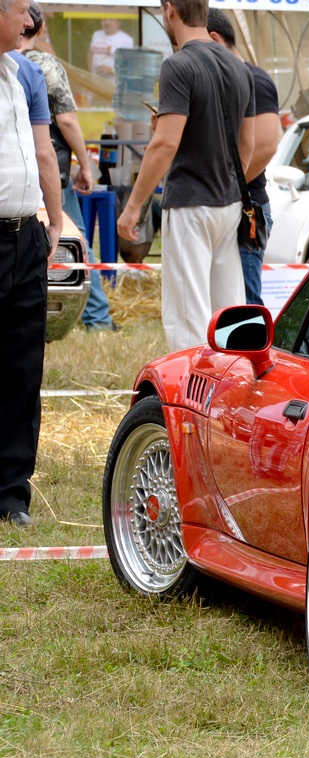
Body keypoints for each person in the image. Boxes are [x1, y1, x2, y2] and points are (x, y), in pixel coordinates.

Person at [116, 0, 254, 353]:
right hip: (229, 203)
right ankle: (233, 390)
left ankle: (190, 402)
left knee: (188, 319)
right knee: (230, 313)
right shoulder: (240, 67)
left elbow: (164, 144)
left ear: (169, 9)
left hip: (191, 202)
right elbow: (248, 144)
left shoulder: (178, 65)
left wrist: (133, 208)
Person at [1, 0, 62, 528]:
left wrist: (57, 221)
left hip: (25, 235)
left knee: (24, 367)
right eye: (21, 11)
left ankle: (12, 494)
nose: (28, 23)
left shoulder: (24, 72)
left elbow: (44, 152)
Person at [19, 2, 115, 332]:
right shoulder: (45, 65)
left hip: (15, 177)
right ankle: (98, 318)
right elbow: (67, 121)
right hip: (51, 173)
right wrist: (85, 164)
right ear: (41, 29)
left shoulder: (7, 65)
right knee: (76, 241)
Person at [207, 8, 280, 306]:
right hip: (222, 202)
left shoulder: (255, 80)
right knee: (223, 300)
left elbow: (265, 146)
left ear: (215, 39)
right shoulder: (218, 82)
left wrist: (225, 190)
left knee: (246, 301)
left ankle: (254, 353)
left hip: (246, 207)